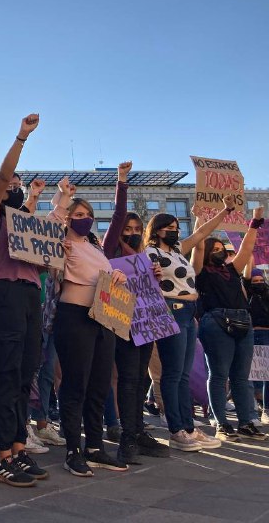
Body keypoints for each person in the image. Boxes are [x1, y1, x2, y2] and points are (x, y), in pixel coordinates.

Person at [0, 115, 55, 488]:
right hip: (1, 293)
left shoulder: (25, 222)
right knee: (7, 374)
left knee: (26, 375)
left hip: (28, 297)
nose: (15, 189)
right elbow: (5, 177)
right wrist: (21, 138)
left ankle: (19, 447)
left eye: (20, 188)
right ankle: (3, 452)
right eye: (10, 185)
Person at [144, 196, 235, 451]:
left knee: (182, 374)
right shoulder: (151, 252)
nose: (174, 232)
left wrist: (224, 211)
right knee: (172, 374)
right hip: (170, 310)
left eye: (176, 228)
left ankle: (189, 427)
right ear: (157, 230)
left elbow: (202, 233)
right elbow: (143, 279)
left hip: (188, 311)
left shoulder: (177, 252)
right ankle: (176, 429)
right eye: (169, 228)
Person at [99, 162, 172, 463]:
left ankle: (138, 430)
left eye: (136, 230)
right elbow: (117, 216)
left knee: (141, 378)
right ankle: (127, 439)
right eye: (126, 229)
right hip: (123, 322)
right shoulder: (108, 251)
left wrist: (152, 274)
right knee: (129, 379)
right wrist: (122, 181)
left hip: (148, 322)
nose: (130, 233)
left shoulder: (143, 258)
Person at [53, 196, 129, 476]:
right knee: (75, 384)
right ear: (68, 217)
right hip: (74, 317)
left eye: (88, 213)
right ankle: (73, 450)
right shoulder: (61, 243)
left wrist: (117, 274)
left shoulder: (96, 248)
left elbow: (105, 274)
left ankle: (95, 447)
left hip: (103, 319)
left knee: (100, 384)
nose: (84, 218)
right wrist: (60, 200)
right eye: (78, 213)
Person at [194, 207, 267, 441]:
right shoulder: (199, 272)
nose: (219, 252)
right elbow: (197, 242)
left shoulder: (232, 270)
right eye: (213, 250)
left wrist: (254, 222)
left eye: (220, 249)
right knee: (218, 375)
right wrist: (201, 220)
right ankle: (222, 423)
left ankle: (246, 422)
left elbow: (246, 248)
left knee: (241, 376)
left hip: (243, 321)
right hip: (216, 323)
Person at [248, 269, 269, 424]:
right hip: (253, 334)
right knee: (256, 374)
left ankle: (265, 407)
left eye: (260, 280)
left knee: (266, 375)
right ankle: (258, 405)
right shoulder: (247, 295)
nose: (258, 283)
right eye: (254, 281)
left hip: (267, 334)